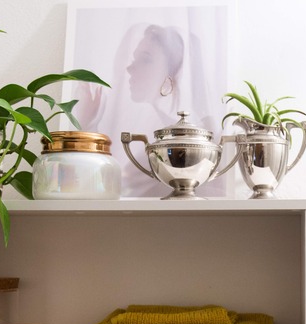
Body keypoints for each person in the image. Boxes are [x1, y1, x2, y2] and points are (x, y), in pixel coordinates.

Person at [75, 23, 222, 197]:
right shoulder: (136, 120)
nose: (129, 68)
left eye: (145, 59)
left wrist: (87, 126)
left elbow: (108, 185)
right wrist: (88, 126)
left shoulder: (166, 132)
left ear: (174, 73)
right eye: (134, 59)